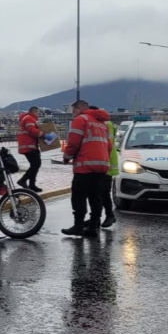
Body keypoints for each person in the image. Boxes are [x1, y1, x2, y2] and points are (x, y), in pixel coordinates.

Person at [61, 100, 112, 237]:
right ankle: (93, 228)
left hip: (85, 165)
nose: (73, 115)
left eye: (73, 111)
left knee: (79, 196)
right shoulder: (102, 123)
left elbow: (73, 143)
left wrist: (66, 157)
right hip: (101, 166)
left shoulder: (80, 119)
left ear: (79, 109)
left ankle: (78, 227)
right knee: (96, 197)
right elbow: (109, 146)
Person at [16, 107, 46, 192]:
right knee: (36, 164)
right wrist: (44, 135)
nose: (38, 114)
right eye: (37, 112)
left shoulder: (28, 118)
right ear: (33, 112)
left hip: (29, 145)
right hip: (29, 146)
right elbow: (32, 130)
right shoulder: (29, 118)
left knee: (35, 165)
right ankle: (23, 180)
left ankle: (31, 184)